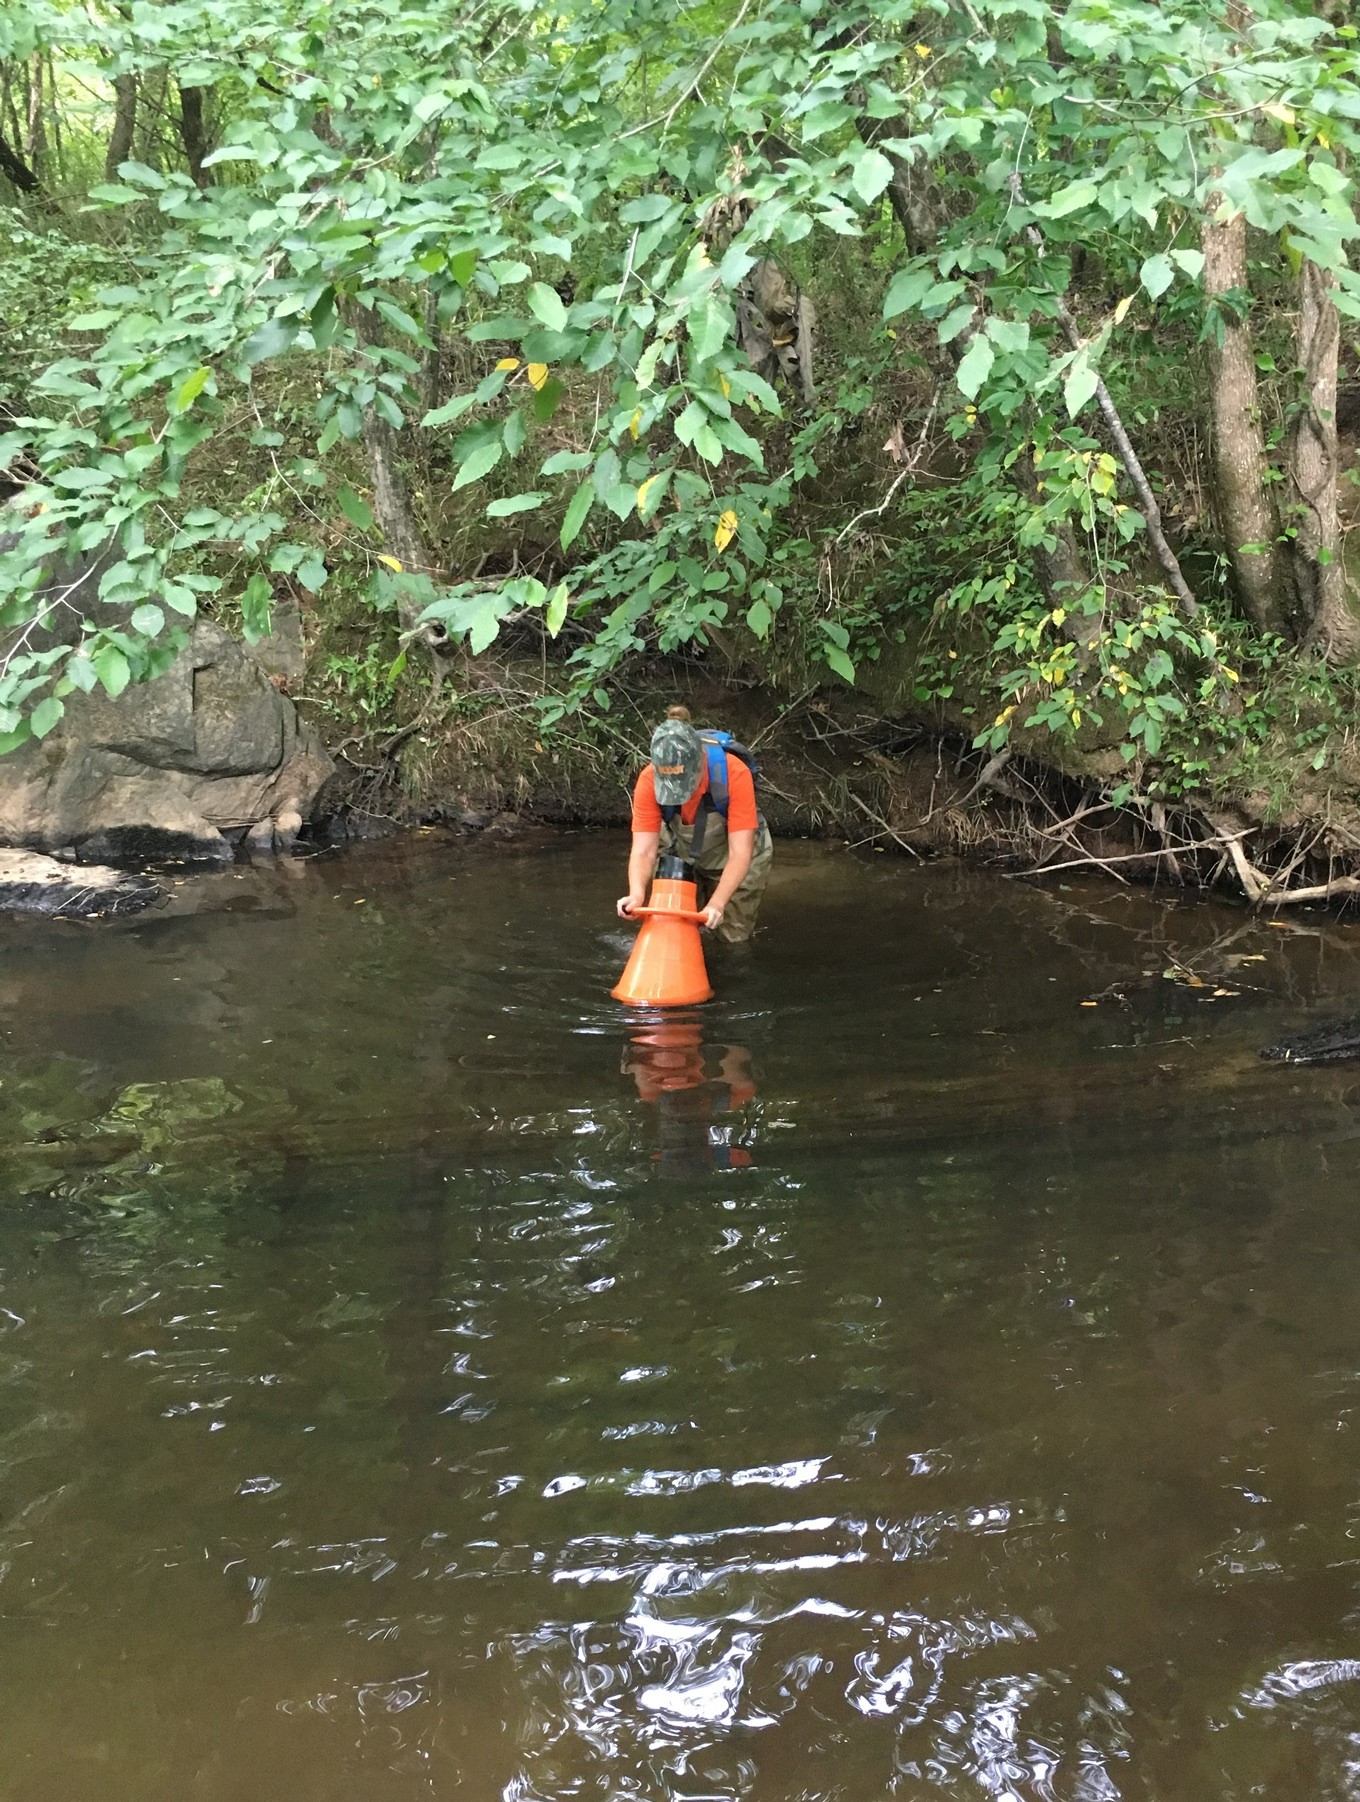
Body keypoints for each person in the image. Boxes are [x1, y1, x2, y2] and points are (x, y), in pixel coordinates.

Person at [617, 706, 774, 943]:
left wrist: (717, 905)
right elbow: (644, 850)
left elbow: (741, 852)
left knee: (731, 936)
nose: (679, 794)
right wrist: (636, 895)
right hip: (684, 850)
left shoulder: (733, 773)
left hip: (736, 853)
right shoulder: (649, 780)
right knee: (676, 929)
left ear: (700, 760)